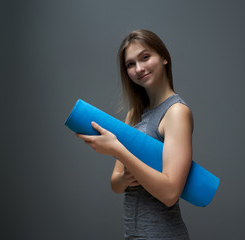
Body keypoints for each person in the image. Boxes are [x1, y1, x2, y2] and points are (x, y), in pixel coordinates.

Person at [77, 29, 192, 239]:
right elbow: (116, 184)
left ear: (164, 57)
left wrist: (118, 150)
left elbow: (170, 193)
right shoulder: (134, 114)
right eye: (130, 64)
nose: (139, 68)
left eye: (145, 57)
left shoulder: (176, 112)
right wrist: (127, 176)